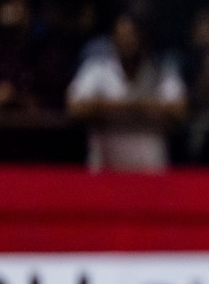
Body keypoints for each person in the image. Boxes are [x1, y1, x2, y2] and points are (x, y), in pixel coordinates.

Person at [65, 10, 187, 172]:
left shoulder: (160, 70)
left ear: (143, 38)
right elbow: (75, 108)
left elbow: (179, 110)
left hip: (151, 171)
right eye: (121, 36)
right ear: (113, 38)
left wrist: (107, 111)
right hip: (105, 170)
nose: (127, 42)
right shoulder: (98, 68)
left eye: (132, 36)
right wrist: (139, 109)